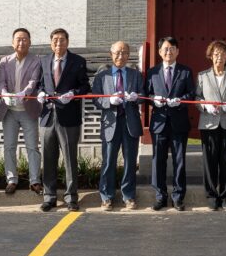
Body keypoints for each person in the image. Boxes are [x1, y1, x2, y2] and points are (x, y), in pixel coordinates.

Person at [36, 28, 90, 212]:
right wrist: (40, 93)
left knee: (69, 158)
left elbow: (85, 86)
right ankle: (49, 196)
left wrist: (73, 93)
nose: (58, 43)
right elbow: (38, 84)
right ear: (51, 42)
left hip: (69, 117)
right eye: (55, 40)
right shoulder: (43, 61)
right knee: (48, 158)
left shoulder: (78, 61)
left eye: (62, 40)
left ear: (67, 41)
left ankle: (71, 197)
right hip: (47, 117)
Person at [145, 36, 194, 211]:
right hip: (159, 123)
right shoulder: (152, 72)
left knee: (179, 161)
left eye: (172, 48)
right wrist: (153, 100)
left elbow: (192, 94)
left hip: (179, 122)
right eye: (165, 48)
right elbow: (146, 94)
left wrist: (180, 100)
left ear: (177, 51)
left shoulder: (186, 72)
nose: (169, 51)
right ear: (159, 52)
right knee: (158, 161)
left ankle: (178, 197)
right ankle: (160, 196)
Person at [94, 41, 143, 210]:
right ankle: (106, 196)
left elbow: (144, 95)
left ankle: (128, 196)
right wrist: (108, 100)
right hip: (111, 124)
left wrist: (136, 97)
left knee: (130, 162)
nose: (120, 56)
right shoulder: (102, 75)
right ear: (111, 54)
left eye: (124, 53)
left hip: (130, 122)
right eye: (117, 53)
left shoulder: (135, 74)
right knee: (108, 162)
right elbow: (96, 99)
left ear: (129, 55)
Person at [196, 40, 226, 210]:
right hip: (208, 123)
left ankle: (224, 196)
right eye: (216, 54)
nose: (219, 57)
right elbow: (197, 98)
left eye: (222, 54)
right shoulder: (202, 76)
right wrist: (205, 106)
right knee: (209, 161)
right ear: (210, 56)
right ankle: (211, 195)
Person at [0, 27, 42, 195]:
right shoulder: (4, 61)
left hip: (28, 109)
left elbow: (34, 81)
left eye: (25, 39)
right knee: (9, 146)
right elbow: (1, 82)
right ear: (12, 42)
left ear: (30, 42)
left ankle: (35, 180)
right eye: (18, 39)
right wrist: (4, 93)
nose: (21, 42)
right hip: (9, 110)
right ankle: (11, 179)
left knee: (32, 146)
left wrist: (25, 93)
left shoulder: (36, 60)